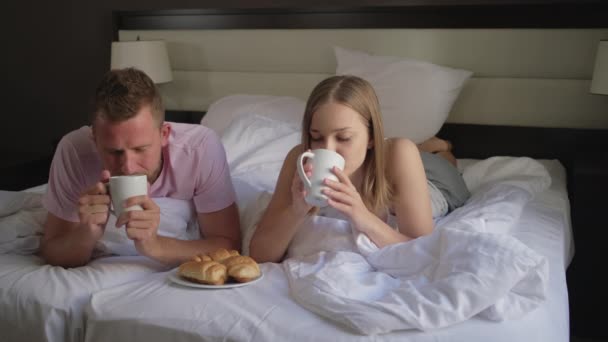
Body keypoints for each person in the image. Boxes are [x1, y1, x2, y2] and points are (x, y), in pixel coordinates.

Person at [249, 75, 469, 263]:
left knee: (439, 161)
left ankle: (442, 149)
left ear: (372, 137)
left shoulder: (400, 153)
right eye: (316, 137)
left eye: (343, 138)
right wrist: (295, 212)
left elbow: (421, 249)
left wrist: (361, 216)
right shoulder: (300, 158)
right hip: (389, 161)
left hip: (438, 183)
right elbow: (259, 254)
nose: (328, 149)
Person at [40, 68, 241, 268]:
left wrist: (154, 245)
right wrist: (86, 234)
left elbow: (229, 246)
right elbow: (53, 251)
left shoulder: (200, 149)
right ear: (94, 138)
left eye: (140, 149)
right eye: (114, 152)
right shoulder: (74, 150)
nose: (128, 167)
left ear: (164, 134)